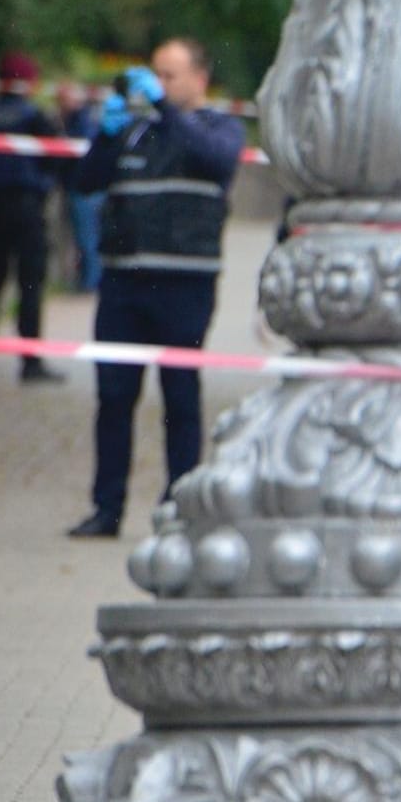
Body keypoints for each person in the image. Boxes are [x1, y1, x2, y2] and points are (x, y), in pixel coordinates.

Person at [66, 38, 245, 539]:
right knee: (114, 398)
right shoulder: (134, 132)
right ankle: (106, 508)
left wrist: (165, 110)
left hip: (184, 284)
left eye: (170, 76)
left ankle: (180, 505)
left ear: (199, 78)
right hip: (124, 282)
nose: (159, 85)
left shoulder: (219, 127)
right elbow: (85, 182)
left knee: (180, 398)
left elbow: (215, 160)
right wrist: (105, 137)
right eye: (156, 76)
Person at [0, 51, 63, 383]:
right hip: (27, 209)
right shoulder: (35, 117)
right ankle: (30, 363)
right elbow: (57, 159)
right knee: (30, 285)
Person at [57, 87, 105, 293]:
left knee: (88, 239)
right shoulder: (88, 119)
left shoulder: (79, 122)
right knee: (91, 239)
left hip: (83, 190)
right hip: (88, 188)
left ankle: (90, 284)